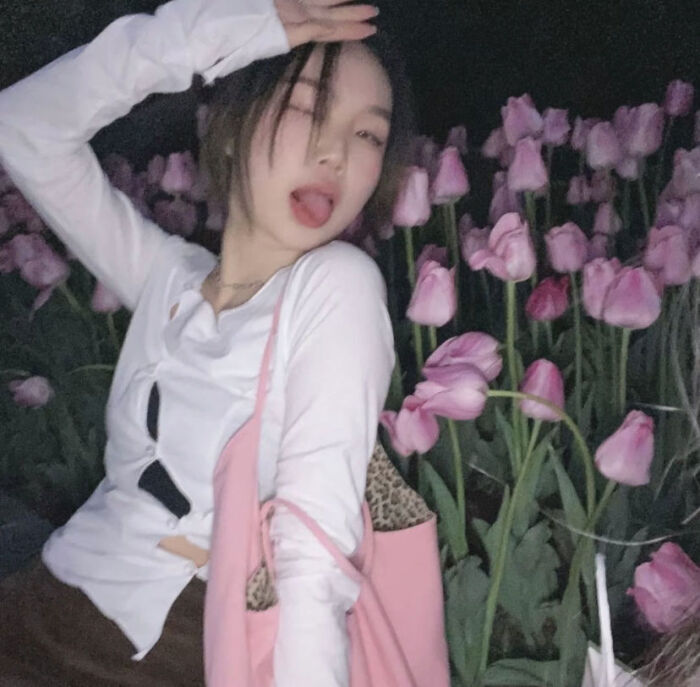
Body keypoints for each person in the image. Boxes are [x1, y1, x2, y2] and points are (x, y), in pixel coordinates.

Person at [0, 0, 416, 684]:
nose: (334, 153)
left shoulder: (334, 289)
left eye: (368, 134)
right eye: (306, 108)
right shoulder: (168, 277)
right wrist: (233, 32)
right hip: (45, 596)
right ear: (228, 131)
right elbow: (23, 127)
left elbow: (312, 557)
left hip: (170, 644)